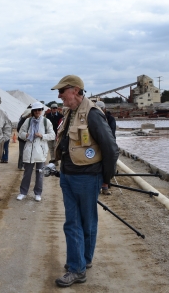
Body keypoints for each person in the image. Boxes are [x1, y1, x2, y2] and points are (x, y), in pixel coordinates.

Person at [52, 75, 119, 287]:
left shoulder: (92, 114)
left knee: (80, 223)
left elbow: (111, 148)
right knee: (79, 222)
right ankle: (83, 260)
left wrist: (106, 179)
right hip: (69, 175)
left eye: (62, 91)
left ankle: (77, 269)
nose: (59, 95)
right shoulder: (70, 113)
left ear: (75, 90)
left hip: (87, 177)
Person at [17, 102, 55, 201]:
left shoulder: (46, 121)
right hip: (29, 149)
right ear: (32, 111)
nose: (37, 112)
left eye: (39, 110)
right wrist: (26, 135)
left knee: (40, 173)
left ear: (42, 111)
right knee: (27, 173)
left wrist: (42, 135)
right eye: (35, 110)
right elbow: (20, 132)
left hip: (40, 151)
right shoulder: (28, 121)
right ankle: (23, 192)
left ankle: (38, 193)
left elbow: (52, 135)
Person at [95, 100, 117, 195]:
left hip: (108, 145)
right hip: (97, 145)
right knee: (97, 165)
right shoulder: (93, 118)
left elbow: (111, 133)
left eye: (101, 109)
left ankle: (105, 185)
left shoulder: (110, 119)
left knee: (109, 166)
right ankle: (99, 185)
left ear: (104, 109)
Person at [16, 104, 32, 170]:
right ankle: (20, 165)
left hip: (29, 139)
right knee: (22, 153)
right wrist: (25, 134)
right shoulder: (22, 120)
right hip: (22, 139)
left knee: (29, 152)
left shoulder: (31, 120)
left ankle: (27, 165)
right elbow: (18, 129)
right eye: (30, 114)